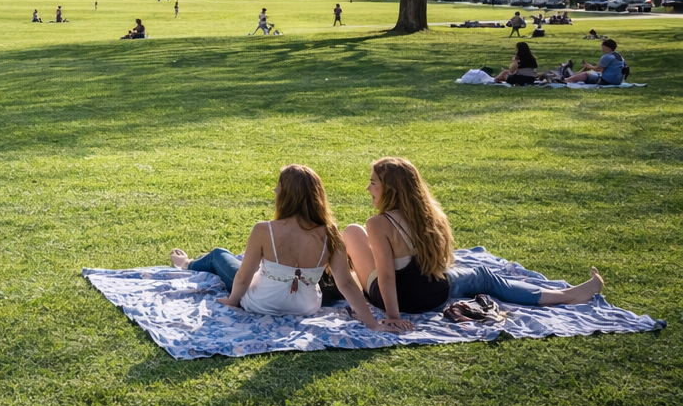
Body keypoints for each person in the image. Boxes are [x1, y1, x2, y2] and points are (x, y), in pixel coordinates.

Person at [343, 157, 605, 320]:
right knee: (482, 275)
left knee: (353, 232)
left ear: (390, 189)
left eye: (373, 183)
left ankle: (348, 274)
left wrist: (393, 317)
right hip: (436, 292)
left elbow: (387, 277)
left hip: (405, 301)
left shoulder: (377, 223)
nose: (369, 188)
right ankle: (564, 295)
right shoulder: (429, 214)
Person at [170, 165, 407, 332]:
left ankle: (187, 264)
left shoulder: (264, 230)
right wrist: (373, 324)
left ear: (286, 195)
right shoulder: (331, 232)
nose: (274, 191)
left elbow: (243, 276)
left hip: (260, 304)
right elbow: (345, 283)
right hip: (307, 308)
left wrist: (233, 301)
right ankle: (191, 263)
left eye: (277, 186)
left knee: (220, 255)